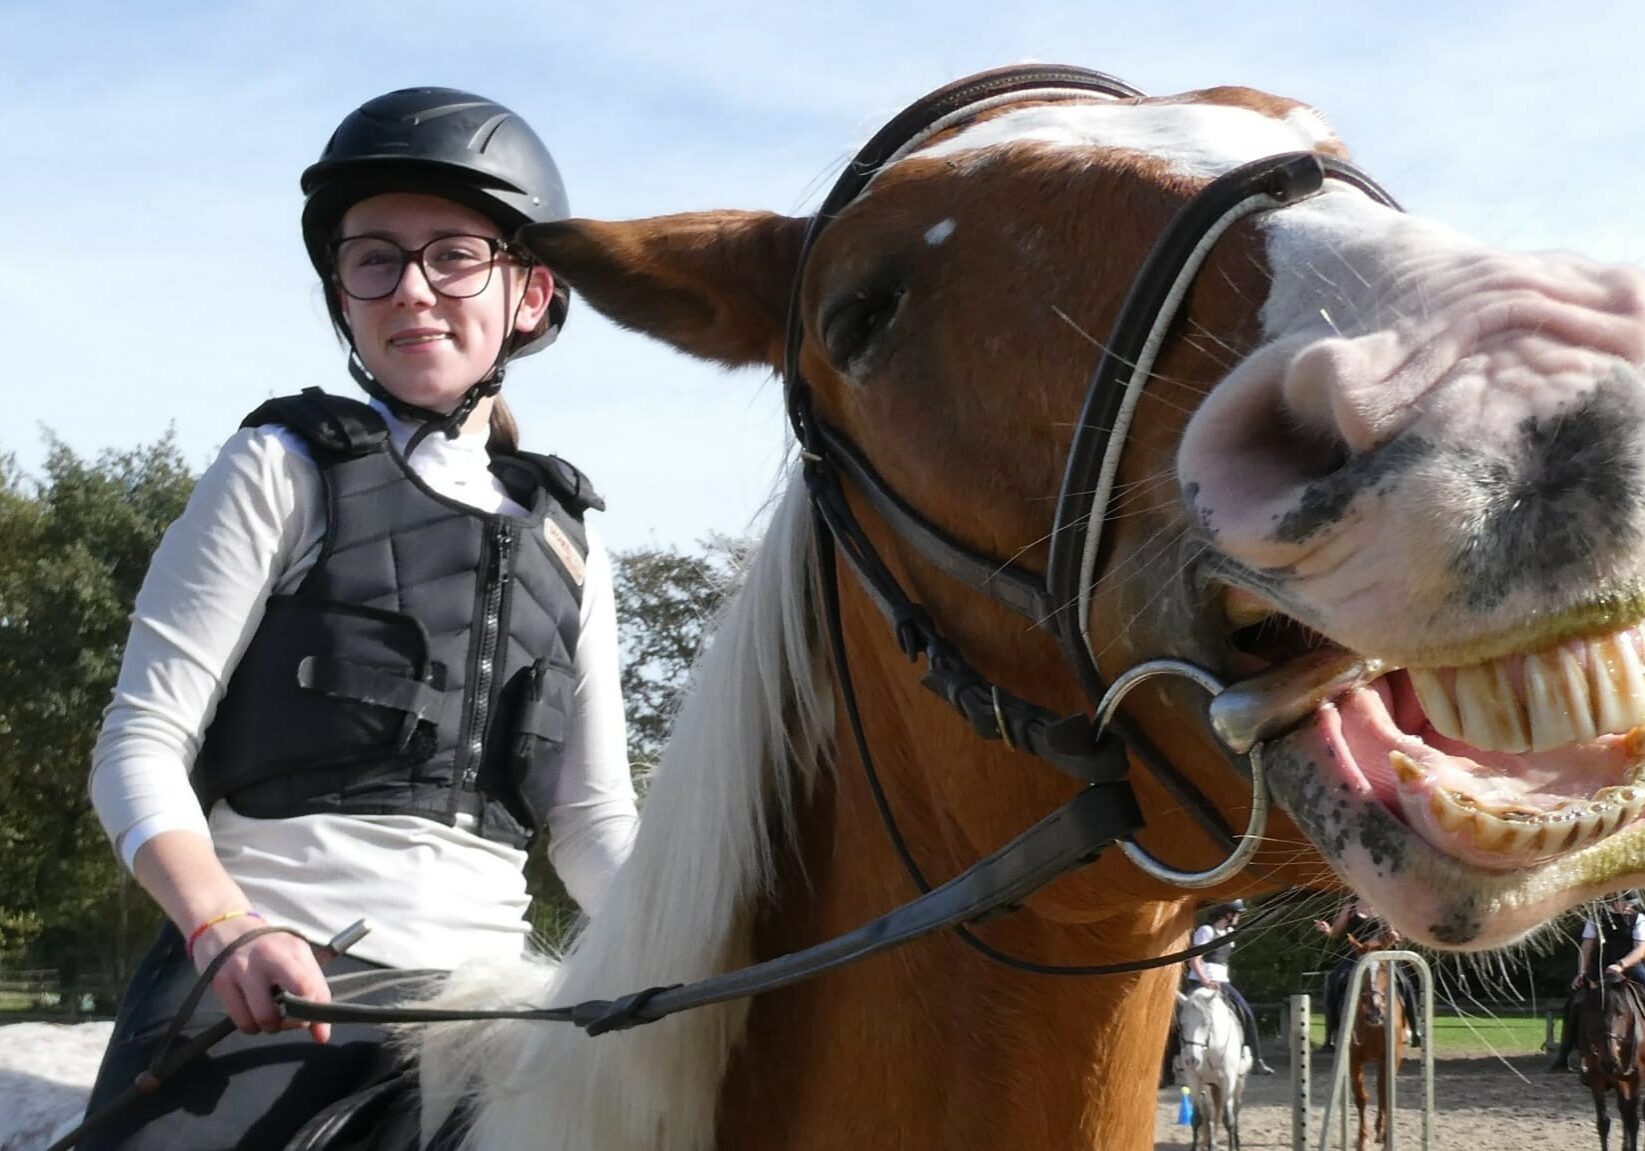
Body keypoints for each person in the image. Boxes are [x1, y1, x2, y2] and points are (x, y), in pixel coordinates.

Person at [79, 87, 640, 1150]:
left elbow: (593, 824)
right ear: (342, 290)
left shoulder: (572, 538)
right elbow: (139, 743)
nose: (412, 289)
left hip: (489, 998)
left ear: (531, 292)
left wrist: (701, 946)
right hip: (269, 981)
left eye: (453, 255)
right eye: (373, 256)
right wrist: (223, 925)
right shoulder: (279, 468)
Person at [1547, 891, 1645, 1072]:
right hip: (1601, 967)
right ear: (1616, 903)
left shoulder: (1639, 919)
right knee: (1575, 999)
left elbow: (1640, 949)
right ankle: (1565, 1053)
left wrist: (1621, 965)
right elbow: (1586, 947)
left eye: (1632, 904)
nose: (1630, 907)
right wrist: (1581, 972)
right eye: (1627, 903)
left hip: (1630, 967)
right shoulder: (1596, 918)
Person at [1313, 898, 1421, 1053]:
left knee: (1405, 982)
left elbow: (1393, 935)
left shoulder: (1384, 906)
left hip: (1380, 955)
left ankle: (1415, 1030)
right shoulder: (1349, 908)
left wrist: (1394, 936)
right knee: (1334, 980)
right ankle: (1330, 1036)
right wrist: (1326, 929)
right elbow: (1335, 933)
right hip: (1355, 956)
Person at [1183, 899, 1275, 1075]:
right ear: (1228, 914)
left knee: (1246, 1013)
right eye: (1237, 913)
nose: (1239, 917)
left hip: (1222, 983)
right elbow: (1194, 959)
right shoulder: (1206, 931)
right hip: (1201, 982)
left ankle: (1256, 1059)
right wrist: (1205, 980)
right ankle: (1170, 1066)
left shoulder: (1230, 933)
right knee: (1184, 1019)